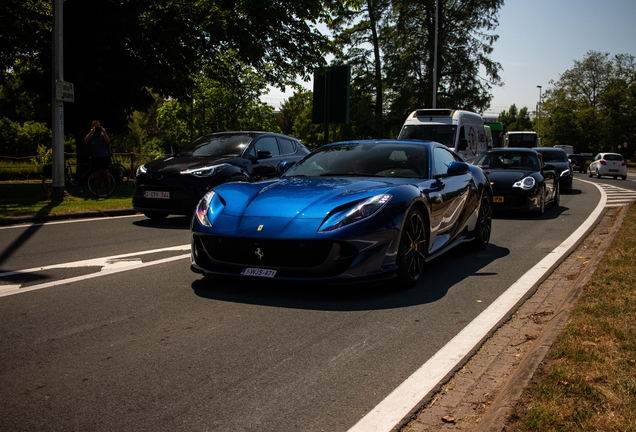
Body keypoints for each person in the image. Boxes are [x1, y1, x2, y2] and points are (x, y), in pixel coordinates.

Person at [84, 120, 111, 195]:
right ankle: (97, 192)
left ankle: (108, 191)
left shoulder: (102, 135)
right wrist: (91, 132)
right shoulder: (91, 136)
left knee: (106, 174)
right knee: (96, 176)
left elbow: (108, 141)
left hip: (104, 156)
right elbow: (85, 141)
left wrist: (104, 132)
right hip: (95, 157)